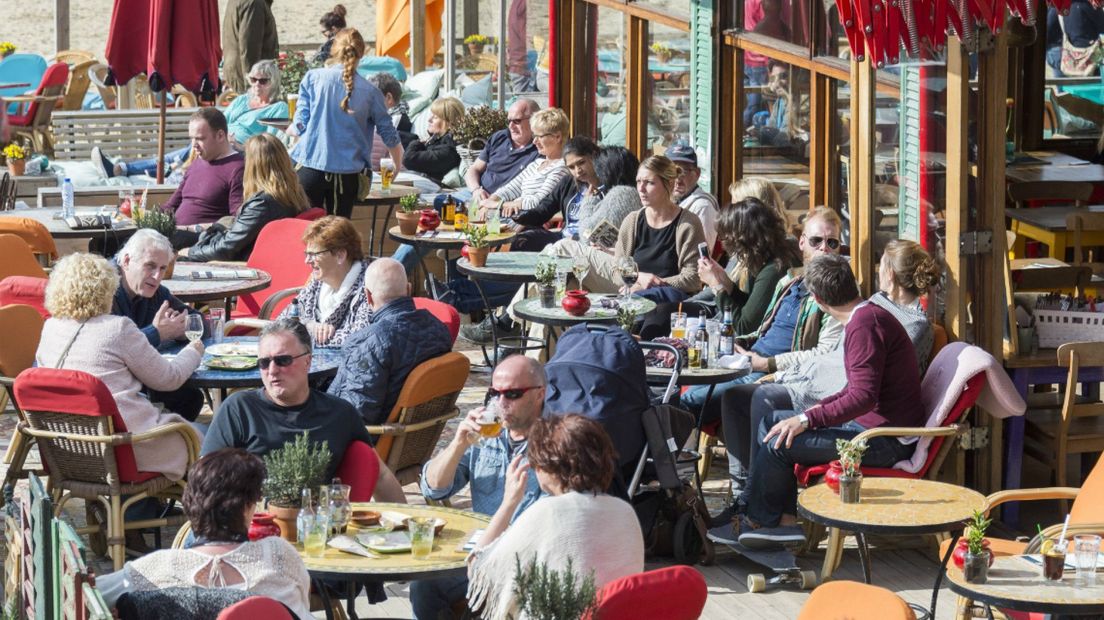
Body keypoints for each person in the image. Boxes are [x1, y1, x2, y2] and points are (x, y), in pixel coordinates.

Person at [716, 240, 940, 517]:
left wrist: (807, 418)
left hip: (883, 442)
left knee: (778, 441)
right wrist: (809, 414)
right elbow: (855, 390)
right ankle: (773, 520)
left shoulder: (866, 324)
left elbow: (862, 397)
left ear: (818, 302)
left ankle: (764, 522)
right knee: (773, 424)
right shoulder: (869, 315)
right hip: (869, 430)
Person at [37, 253, 203, 482]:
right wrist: (194, 351)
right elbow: (169, 378)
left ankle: (146, 507)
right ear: (107, 290)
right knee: (210, 436)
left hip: (69, 447)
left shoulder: (50, 328)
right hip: (126, 446)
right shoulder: (117, 328)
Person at [201, 318, 406, 500]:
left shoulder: (340, 414)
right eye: (264, 363)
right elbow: (206, 479)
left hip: (315, 528)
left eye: (283, 360)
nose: (272, 371)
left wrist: (404, 526)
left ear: (308, 361)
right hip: (248, 526)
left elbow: (380, 475)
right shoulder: (239, 409)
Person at [95, 449, 312, 619]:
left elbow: (87, 596)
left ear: (189, 503)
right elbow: (302, 610)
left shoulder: (154, 569)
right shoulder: (278, 555)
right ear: (247, 507)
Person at [680, 206, 845, 428]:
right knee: (677, 387)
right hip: (748, 359)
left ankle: (654, 458)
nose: (824, 249)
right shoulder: (789, 281)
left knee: (688, 402)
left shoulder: (838, 295)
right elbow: (761, 328)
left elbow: (823, 357)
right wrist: (739, 343)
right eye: (817, 241)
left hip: (777, 374)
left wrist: (765, 363)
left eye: (832, 243)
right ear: (802, 242)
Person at [466, 414, 644, 620]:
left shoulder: (547, 512)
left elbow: (479, 573)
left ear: (547, 465)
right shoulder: (625, 510)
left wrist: (508, 503)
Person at [412, 355, 547, 619]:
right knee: (424, 585)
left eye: (513, 394)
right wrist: (459, 443)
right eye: (495, 393)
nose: (501, 403)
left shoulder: (554, 443)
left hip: (528, 564)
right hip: (481, 554)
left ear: (539, 395)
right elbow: (433, 488)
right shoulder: (486, 437)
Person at [638, 197, 800, 340]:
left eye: (726, 237)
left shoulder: (773, 270)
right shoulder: (766, 260)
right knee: (660, 311)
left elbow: (744, 327)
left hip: (749, 344)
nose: (723, 245)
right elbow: (749, 307)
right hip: (736, 327)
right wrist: (727, 284)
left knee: (664, 313)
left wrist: (717, 286)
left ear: (743, 238)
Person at [94, 61, 289, 180]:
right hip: (218, 140)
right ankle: (126, 169)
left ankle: (123, 169)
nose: (256, 85)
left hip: (238, 151)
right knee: (185, 153)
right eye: (253, 79)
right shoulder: (242, 100)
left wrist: (239, 144)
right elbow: (220, 120)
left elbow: (270, 146)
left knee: (183, 156)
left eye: (263, 81)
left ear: (274, 83)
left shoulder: (277, 108)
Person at [290, 28, 404, 218]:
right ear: (363, 53)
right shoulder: (371, 92)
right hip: (347, 175)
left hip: (310, 167)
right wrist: (397, 164)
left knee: (305, 234)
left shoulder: (313, 77)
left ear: (334, 49)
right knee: (338, 238)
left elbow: (300, 124)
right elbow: (389, 134)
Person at [326, 258, 452, 426]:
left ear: (367, 296)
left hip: (370, 443)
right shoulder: (440, 330)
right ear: (408, 289)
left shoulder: (367, 343)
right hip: (416, 436)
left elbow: (355, 415)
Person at [566, 155, 704, 303]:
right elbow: (616, 270)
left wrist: (650, 285)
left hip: (669, 303)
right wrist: (638, 278)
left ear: (669, 184)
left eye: (649, 183)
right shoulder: (633, 220)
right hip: (632, 295)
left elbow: (693, 278)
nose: (641, 189)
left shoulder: (687, 224)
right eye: (638, 182)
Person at [112, 230, 206, 421]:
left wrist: (180, 328)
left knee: (190, 397)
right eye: (150, 266)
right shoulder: (104, 290)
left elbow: (198, 320)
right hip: (114, 390)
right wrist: (157, 333)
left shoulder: (154, 291)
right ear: (127, 261)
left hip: (143, 377)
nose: (156, 276)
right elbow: (111, 348)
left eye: (163, 268)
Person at [181, 133, 308, 262]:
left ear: (253, 164)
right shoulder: (293, 193)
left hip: (243, 265)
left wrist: (190, 252)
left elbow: (225, 249)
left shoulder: (262, 204)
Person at [277, 216, 372, 347]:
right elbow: (282, 323)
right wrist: (310, 326)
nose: (307, 261)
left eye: (314, 254)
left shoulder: (367, 288)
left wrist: (308, 335)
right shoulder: (317, 283)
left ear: (340, 255)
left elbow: (358, 340)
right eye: (307, 254)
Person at [510, 135, 603, 248]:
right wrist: (522, 216)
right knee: (522, 241)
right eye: (571, 167)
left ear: (593, 156)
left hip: (589, 244)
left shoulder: (608, 185)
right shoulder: (569, 183)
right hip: (564, 237)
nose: (578, 171)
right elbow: (545, 208)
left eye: (581, 163)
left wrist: (577, 239)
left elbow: (610, 226)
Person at [161, 108, 246, 228]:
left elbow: (236, 222)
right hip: (174, 233)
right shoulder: (197, 163)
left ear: (220, 136)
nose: (194, 145)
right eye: (192, 138)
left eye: (200, 139)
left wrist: (193, 229)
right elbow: (171, 206)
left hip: (202, 241)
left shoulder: (237, 168)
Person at [480, 108, 571, 217]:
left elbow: (539, 203)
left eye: (540, 136)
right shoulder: (536, 164)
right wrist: (488, 204)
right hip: (514, 217)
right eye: (534, 136)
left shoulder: (562, 168)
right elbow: (510, 189)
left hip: (531, 223)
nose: (534, 141)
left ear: (557, 137)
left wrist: (500, 205)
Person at [464, 99, 541, 200]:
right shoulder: (500, 137)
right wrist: (476, 190)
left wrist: (493, 201)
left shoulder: (540, 148)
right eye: (509, 121)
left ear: (533, 120)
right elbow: (474, 169)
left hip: (503, 204)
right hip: (477, 194)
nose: (511, 126)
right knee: (441, 203)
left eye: (517, 121)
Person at [664, 141, 719, 250]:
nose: (677, 179)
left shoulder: (702, 207)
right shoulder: (666, 201)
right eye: (671, 172)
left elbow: (702, 257)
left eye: (683, 172)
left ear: (697, 174)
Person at [402, 97, 464, 183]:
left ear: (448, 122)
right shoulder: (439, 142)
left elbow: (408, 159)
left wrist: (417, 143)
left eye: (435, 117)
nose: (429, 120)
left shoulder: (448, 150)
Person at [222, 0, 279, 94]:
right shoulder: (254, 3)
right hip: (248, 75)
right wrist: (253, 85)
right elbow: (249, 50)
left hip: (238, 71)